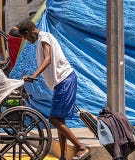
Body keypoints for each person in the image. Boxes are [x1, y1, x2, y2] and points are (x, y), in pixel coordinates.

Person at [14, 18, 90, 160]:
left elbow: (48, 58)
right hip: (61, 83)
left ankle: (81, 147)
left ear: (30, 32)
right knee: (59, 120)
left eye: (25, 36)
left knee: (54, 119)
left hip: (64, 80)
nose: (26, 40)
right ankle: (63, 156)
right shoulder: (41, 39)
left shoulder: (44, 37)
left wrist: (34, 75)